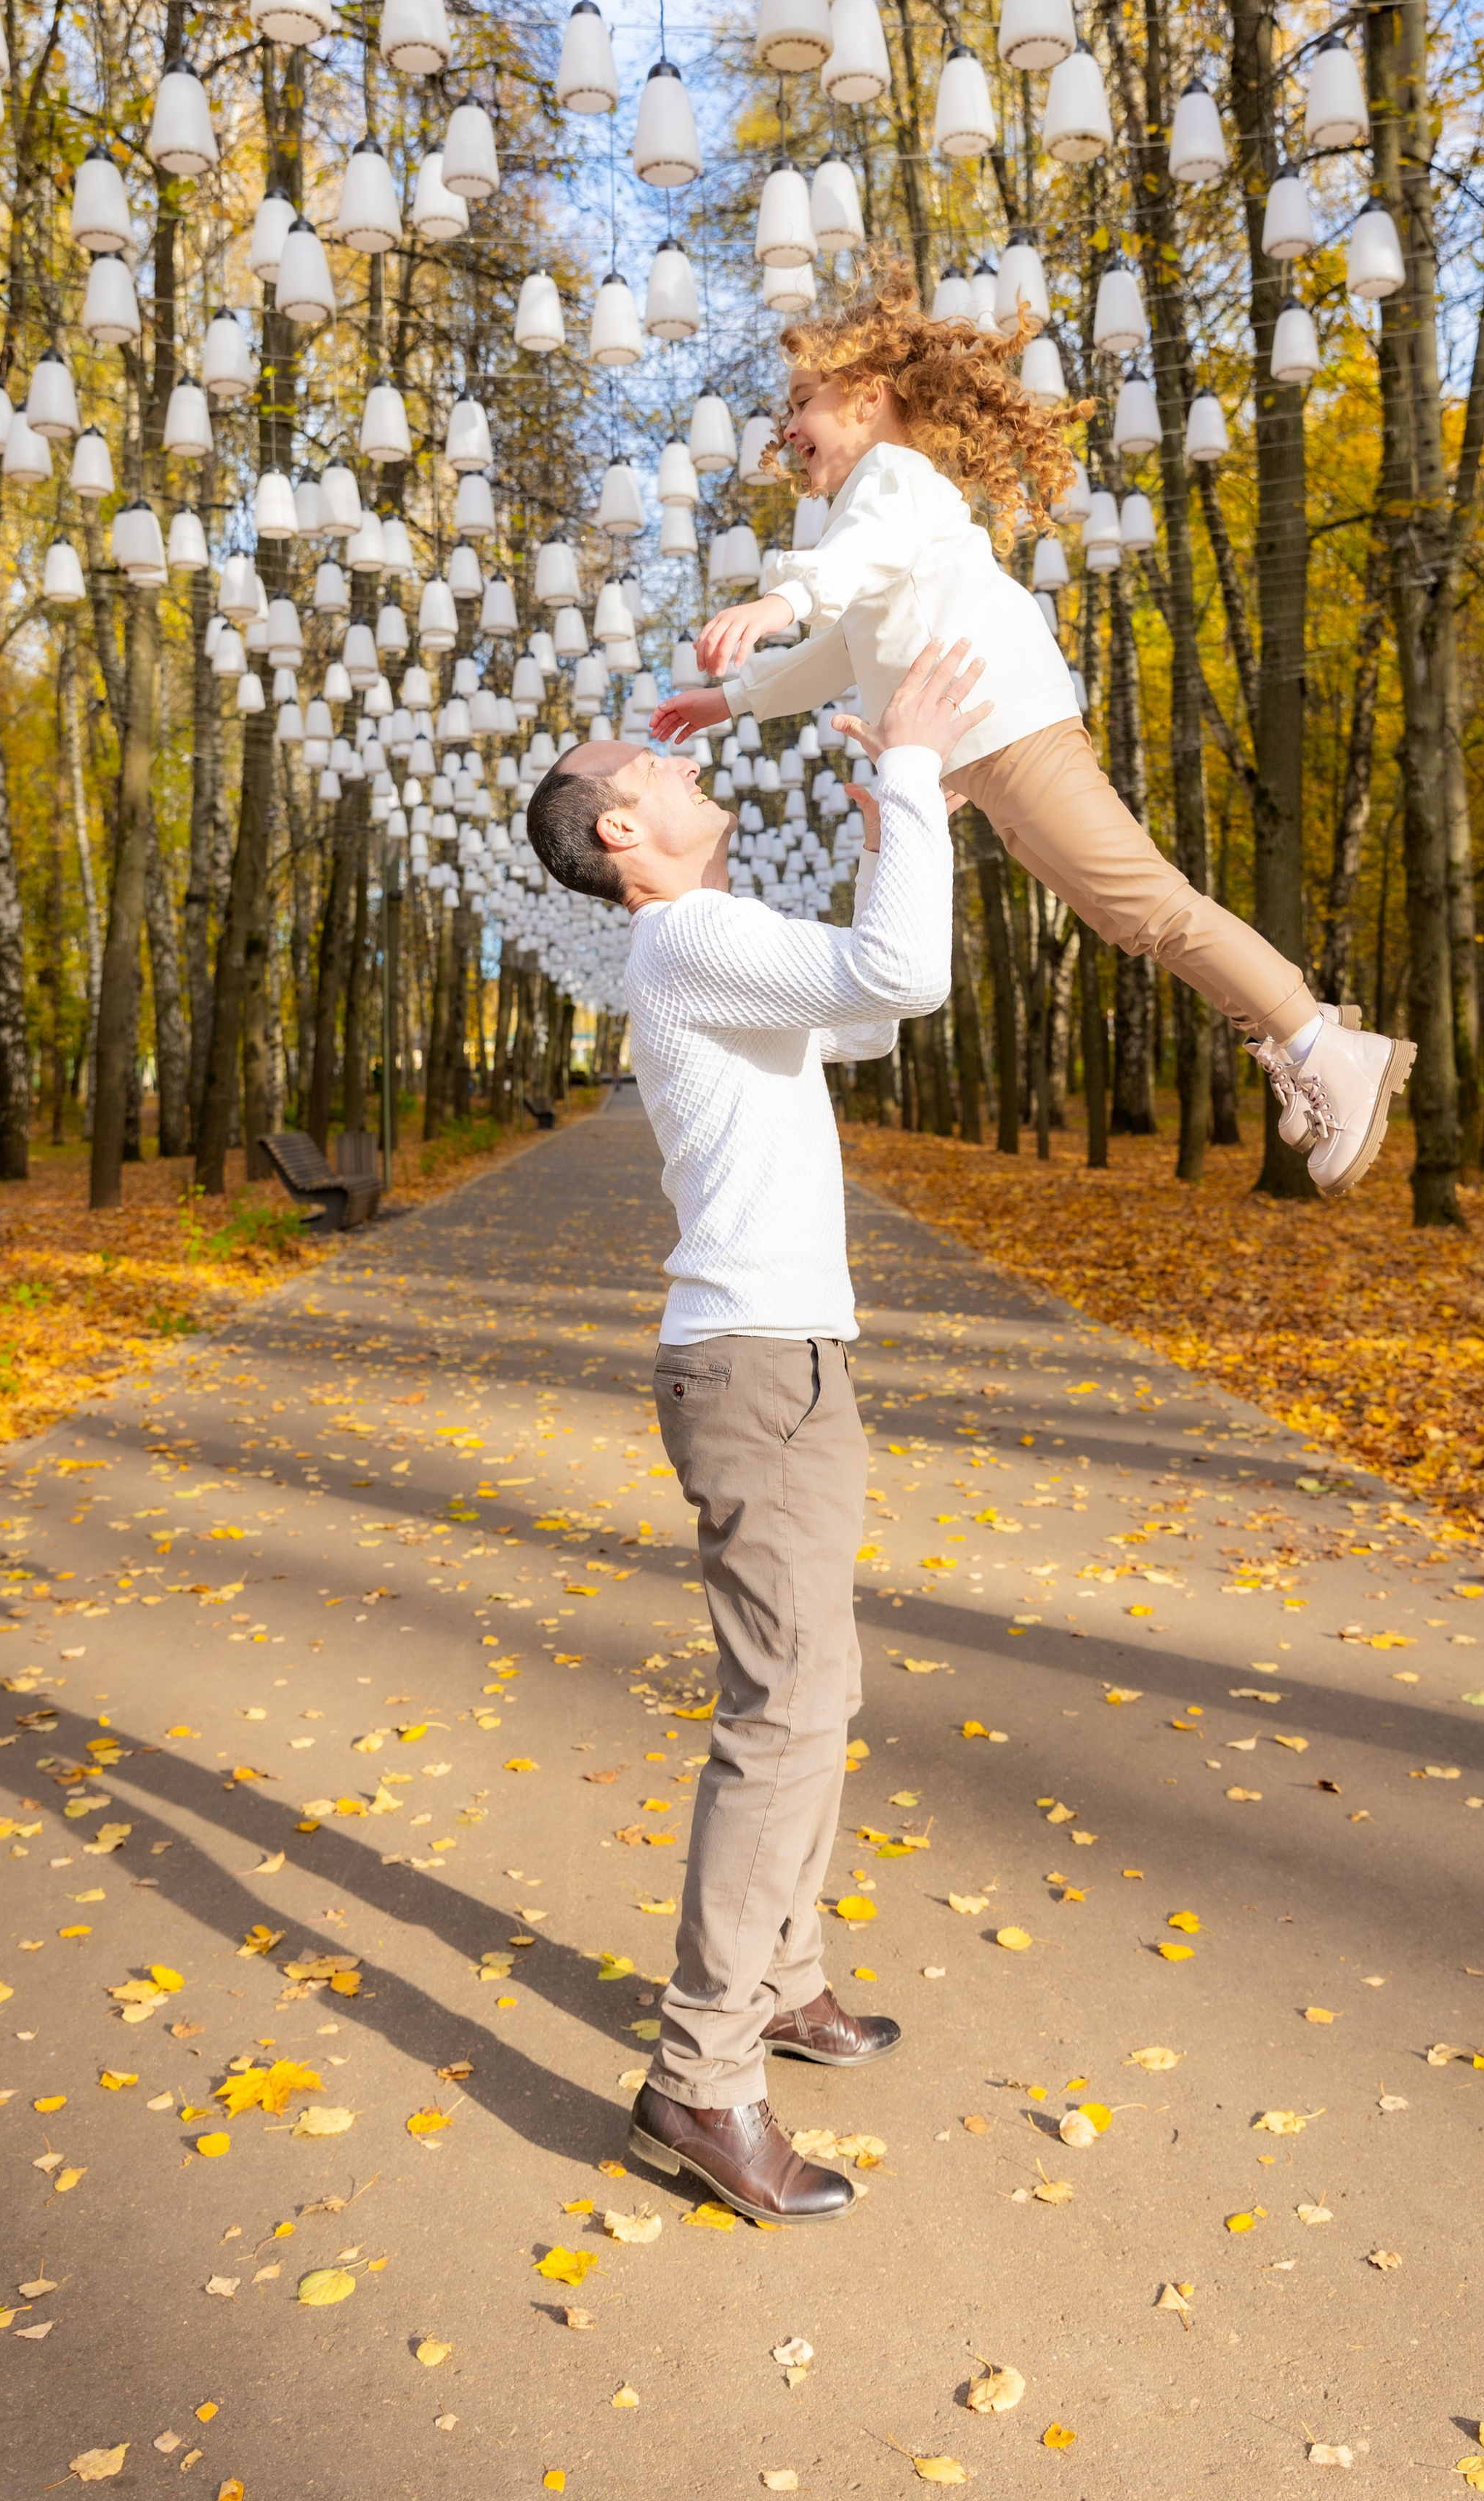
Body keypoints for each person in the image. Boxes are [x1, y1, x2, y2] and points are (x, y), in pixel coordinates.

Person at [525, 638, 989, 2226]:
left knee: (811, 1687)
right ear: (617, 832)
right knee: (782, 1712)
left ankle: (782, 1980)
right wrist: (918, 769)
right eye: (643, 760)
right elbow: (901, 981)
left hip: (781, 1360)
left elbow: (856, 1020)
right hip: (753, 1370)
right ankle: (701, 2077)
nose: (676, 751)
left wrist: (882, 830)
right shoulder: (688, 934)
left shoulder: (704, 951)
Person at [657, 267, 1415, 1195]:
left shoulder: (892, 481)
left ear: (865, 397)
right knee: (1123, 918)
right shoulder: (865, 519)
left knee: (1147, 906)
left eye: (800, 401)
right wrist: (731, 701)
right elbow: (842, 648)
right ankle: (1306, 1037)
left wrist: (781, 596)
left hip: (1004, 724)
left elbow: (853, 568)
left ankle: (1322, 1045)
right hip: (974, 751)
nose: (783, 427)